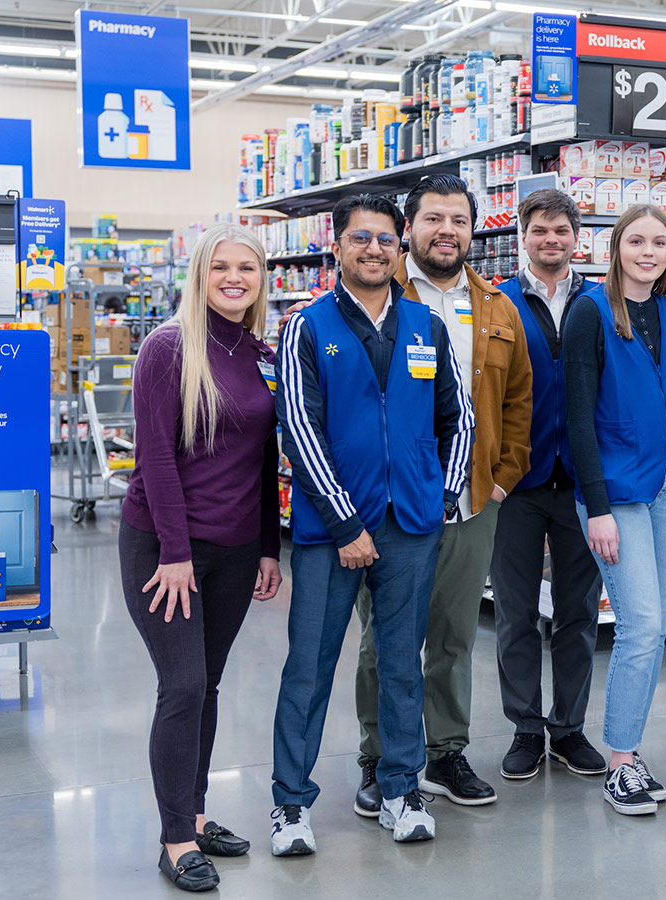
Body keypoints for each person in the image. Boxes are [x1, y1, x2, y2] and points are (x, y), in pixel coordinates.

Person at [271, 193, 475, 853]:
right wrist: (345, 523)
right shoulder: (307, 326)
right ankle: (291, 805)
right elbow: (300, 432)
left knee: (401, 664)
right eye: (361, 238)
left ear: (401, 245)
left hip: (412, 524)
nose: (375, 250)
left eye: (386, 239)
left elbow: (458, 418)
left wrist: (442, 495)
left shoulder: (425, 326)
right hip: (331, 532)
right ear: (337, 246)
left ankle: (399, 789)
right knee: (311, 665)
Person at [348, 174, 531, 814]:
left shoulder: (498, 307)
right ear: (409, 229)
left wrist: (503, 478)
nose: (446, 231)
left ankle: (445, 751)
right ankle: (377, 758)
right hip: (392, 502)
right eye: (433, 219)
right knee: (384, 639)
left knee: (453, 635)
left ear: (474, 231)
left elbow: (517, 403)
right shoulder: (372, 295)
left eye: (458, 220)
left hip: (472, 498)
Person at [120, 223, 282, 892]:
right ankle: (175, 839)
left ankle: (196, 810)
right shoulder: (165, 348)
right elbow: (155, 458)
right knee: (182, 686)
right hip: (165, 549)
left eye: (247, 267)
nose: (234, 278)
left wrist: (271, 545)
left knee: (208, 683)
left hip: (240, 547)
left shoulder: (259, 351)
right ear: (199, 274)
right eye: (221, 268)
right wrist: (177, 553)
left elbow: (266, 457)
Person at [563, 203, 666, 815]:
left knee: (651, 627)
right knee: (644, 625)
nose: (649, 252)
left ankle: (630, 751)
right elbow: (577, 417)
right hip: (615, 491)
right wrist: (595, 507)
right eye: (637, 241)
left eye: (660, 242)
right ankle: (619, 761)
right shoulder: (589, 312)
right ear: (616, 246)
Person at [492, 188, 607, 780]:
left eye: (561, 230)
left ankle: (568, 728)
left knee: (577, 612)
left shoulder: (600, 301)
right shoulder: (497, 302)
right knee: (514, 611)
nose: (551, 240)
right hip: (516, 481)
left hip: (583, 484)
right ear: (523, 236)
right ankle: (524, 729)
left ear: (576, 236)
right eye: (540, 230)